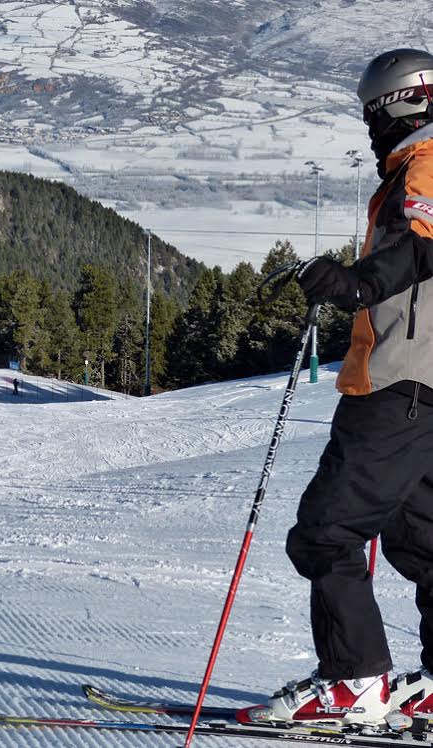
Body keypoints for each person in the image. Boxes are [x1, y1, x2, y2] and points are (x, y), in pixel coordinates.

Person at [249, 48, 433, 728]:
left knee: (325, 535)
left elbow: (424, 244)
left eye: (370, 113)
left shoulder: (426, 162)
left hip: (397, 387)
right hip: (424, 390)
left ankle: (353, 684)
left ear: (399, 103)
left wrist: (355, 285)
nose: (368, 127)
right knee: (423, 545)